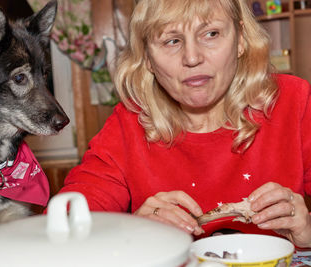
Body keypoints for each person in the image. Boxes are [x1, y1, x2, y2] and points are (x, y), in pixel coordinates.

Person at [57, 0, 311, 248]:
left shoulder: (293, 102)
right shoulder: (127, 125)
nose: (192, 58)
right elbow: (60, 228)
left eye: (211, 34)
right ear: (147, 57)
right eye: (172, 41)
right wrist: (130, 233)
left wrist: (308, 230)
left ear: (240, 39)